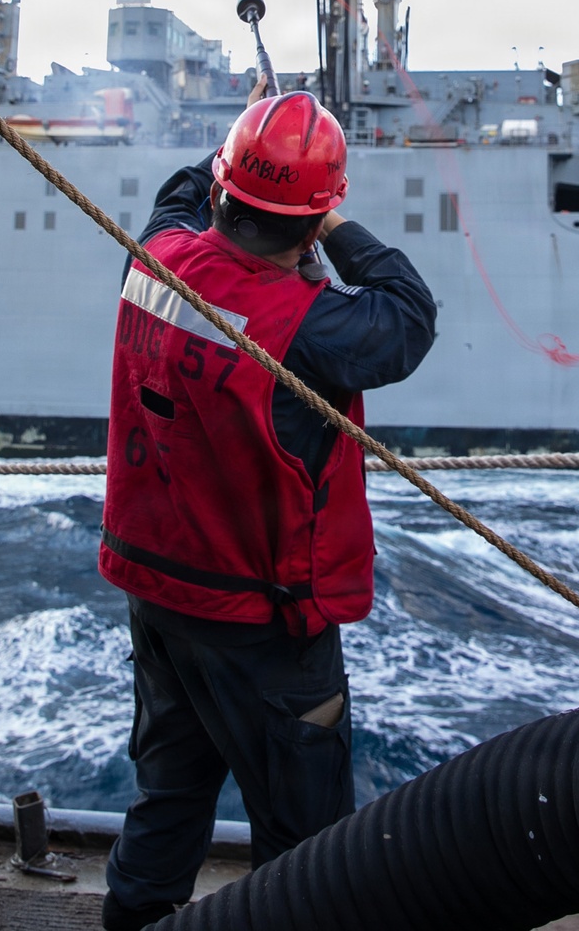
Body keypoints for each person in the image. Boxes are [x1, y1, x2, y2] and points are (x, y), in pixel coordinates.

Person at [99, 83, 437, 931]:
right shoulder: (309, 329)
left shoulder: (156, 259)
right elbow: (409, 316)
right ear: (309, 217)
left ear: (221, 191)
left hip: (161, 599)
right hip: (262, 625)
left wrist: (240, 144)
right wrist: (331, 224)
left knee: (168, 796)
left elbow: (177, 203)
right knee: (304, 845)